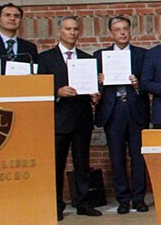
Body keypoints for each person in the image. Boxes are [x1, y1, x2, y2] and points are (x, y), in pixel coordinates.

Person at [37, 16, 101, 220]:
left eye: (75, 29)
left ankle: (83, 203)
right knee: (57, 164)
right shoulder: (45, 58)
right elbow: (38, 90)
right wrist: (57, 92)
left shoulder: (86, 58)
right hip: (58, 120)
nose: (72, 33)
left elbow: (91, 88)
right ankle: (55, 206)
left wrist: (94, 94)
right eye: (68, 29)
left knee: (82, 164)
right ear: (59, 32)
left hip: (82, 119)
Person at [93, 16, 149, 214]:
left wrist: (138, 84)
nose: (122, 32)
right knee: (116, 157)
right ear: (111, 33)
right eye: (118, 29)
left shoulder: (142, 55)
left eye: (125, 28)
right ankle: (123, 199)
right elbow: (92, 88)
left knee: (138, 157)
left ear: (130, 31)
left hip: (135, 109)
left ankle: (139, 199)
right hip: (113, 109)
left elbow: (148, 82)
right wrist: (99, 81)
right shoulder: (100, 56)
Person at [0, 3, 39, 73]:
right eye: (7, 15)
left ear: (20, 21)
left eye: (16, 16)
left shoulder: (29, 48)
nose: (12, 18)